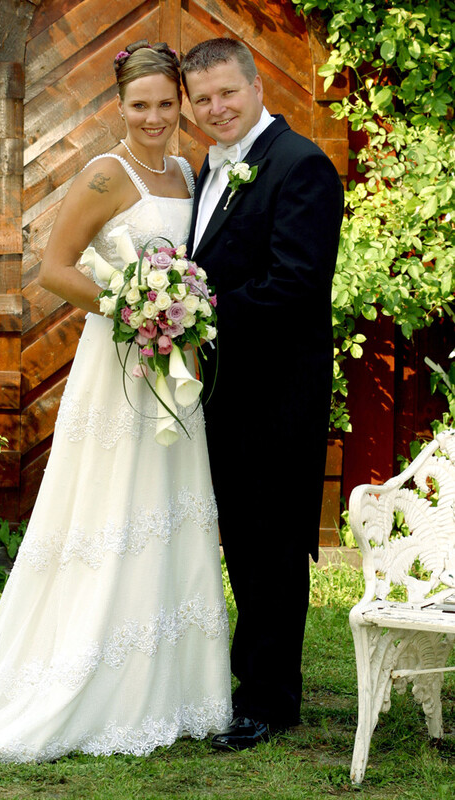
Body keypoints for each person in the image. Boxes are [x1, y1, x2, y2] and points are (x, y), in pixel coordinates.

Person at [0, 41, 232, 762]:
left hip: (173, 363)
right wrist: (137, 307)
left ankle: (173, 686)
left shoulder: (185, 171)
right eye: (139, 105)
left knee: (168, 504)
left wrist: (177, 315)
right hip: (122, 359)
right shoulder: (106, 174)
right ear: (118, 105)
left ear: (182, 105)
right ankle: (95, 672)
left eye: (166, 104)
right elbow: (55, 269)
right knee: (115, 503)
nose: (154, 118)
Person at [180, 38, 344, 750]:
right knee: (244, 542)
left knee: (272, 546)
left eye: (228, 92)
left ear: (256, 86)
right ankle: (248, 679)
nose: (217, 108)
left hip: (276, 394)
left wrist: (196, 317)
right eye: (203, 99)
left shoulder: (300, 165)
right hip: (226, 391)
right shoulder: (208, 168)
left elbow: (295, 283)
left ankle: (269, 702)